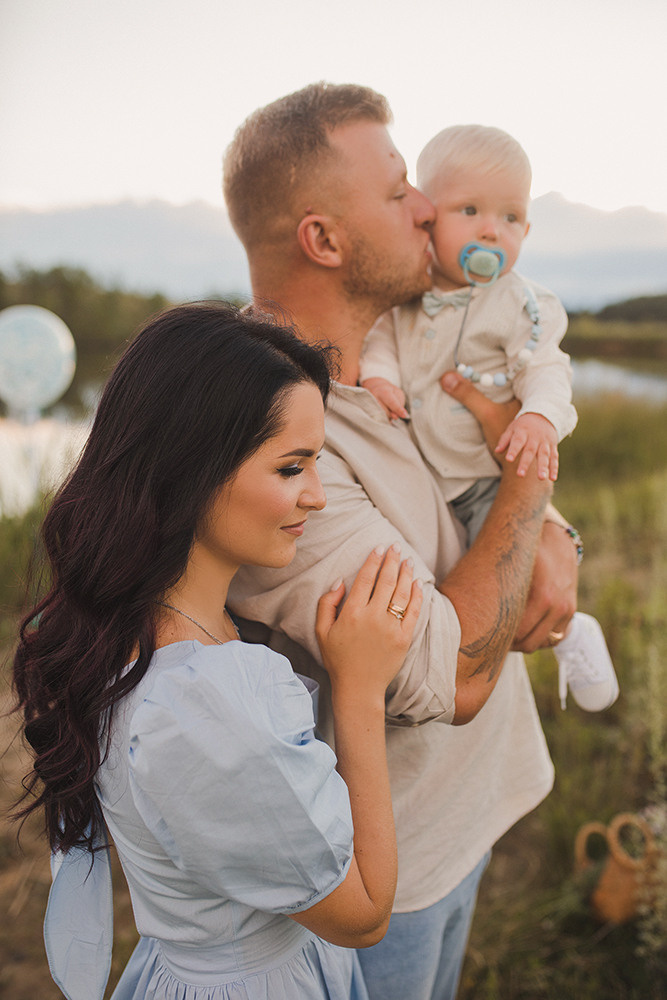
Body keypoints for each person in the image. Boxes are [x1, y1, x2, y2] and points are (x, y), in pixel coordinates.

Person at [223, 83, 579, 1000]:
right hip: (392, 874)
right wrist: (535, 482)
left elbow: (464, 485)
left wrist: (549, 524)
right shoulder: (268, 443)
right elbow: (453, 672)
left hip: (466, 818)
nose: (425, 205)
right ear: (325, 241)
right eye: (395, 192)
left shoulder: (389, 356)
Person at [12, 302, 423, 1000]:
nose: (317, 497)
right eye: (291, 467)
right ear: (193, 469)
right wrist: (358, 686)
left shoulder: (133, 628)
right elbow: (360, 916)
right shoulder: (202, 706)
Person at [359, 124, 619, 714]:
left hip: (481, 480)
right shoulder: (407, 293)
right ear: (429, 218)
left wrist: (537, 419)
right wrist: (379, 377)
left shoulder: (521, 304)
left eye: (509, 218)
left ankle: (571, 632)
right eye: (469, 210)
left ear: (525, 230)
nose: (489, 230)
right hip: (422, 480)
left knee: (506, 583)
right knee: (437, 589)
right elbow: (381, 339)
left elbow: (547, 371)